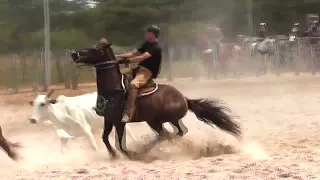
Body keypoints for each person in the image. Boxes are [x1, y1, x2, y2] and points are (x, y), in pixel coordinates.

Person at [116, 25, 162, 123]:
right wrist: (115, 56)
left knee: (133, 84)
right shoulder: (146, 43)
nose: (145, 34)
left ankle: (128, 114)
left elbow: (141, 57)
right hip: (137, 68)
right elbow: (132, 53)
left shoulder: (156, 47)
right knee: (117, 75)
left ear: (152, 34)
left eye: (147, 33)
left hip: (147, 72)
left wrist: (125, 61)